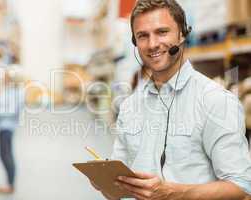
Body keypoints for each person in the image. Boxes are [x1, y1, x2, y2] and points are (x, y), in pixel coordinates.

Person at [91, 0, 251, 199]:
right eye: (143, 36)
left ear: (182, 34)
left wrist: (174, 193)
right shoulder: (130, 106)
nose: (152, 44)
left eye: (162, 32)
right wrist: (106, 183)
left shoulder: (216, 101)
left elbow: (241, 187)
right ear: (134, 42)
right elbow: (118, 189)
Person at [0, 70, 23, 194]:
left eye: (6, 77)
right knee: (3, 155)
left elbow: (11, 111)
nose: (4, 79)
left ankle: (10, 186)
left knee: (6, 155)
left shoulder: (17, 92)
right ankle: (9, 184)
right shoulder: (8, 90)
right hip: (2, 126)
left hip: (7, 127)